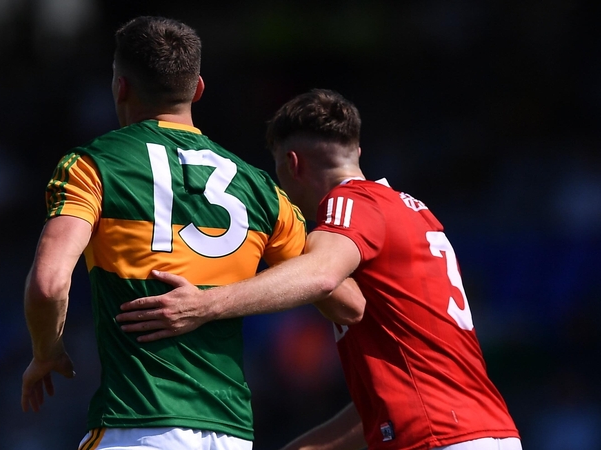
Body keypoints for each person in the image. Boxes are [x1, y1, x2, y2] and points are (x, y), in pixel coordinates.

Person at [116, 89, 522, 450]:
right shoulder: (413, 212)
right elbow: (389, 396)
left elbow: (321, 275)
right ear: (356, 152)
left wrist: (204, 305)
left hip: (436, 436)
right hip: (484, 429)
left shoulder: (351, 205)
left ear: (292, 165)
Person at [20, 16, 316, 450]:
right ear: (197, 89)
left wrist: (46, 351)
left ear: (120, 87)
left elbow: (48, 285)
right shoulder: (260, 189)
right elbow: (335, 293)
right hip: (231, 434)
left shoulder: (92, 166)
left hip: (138, 423)